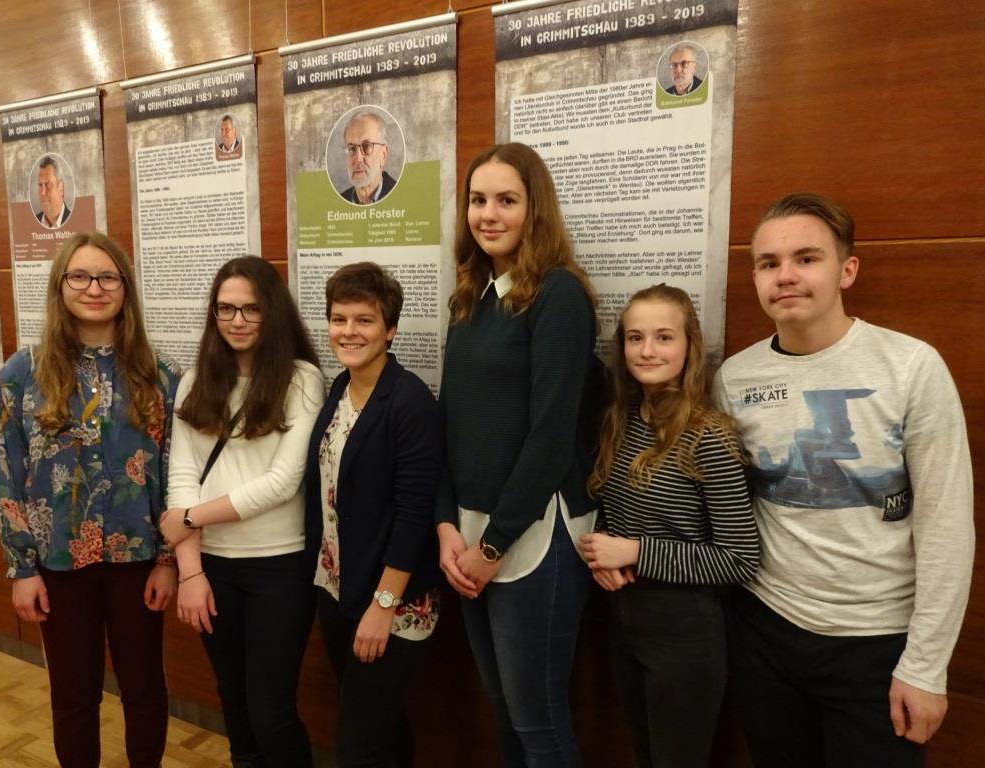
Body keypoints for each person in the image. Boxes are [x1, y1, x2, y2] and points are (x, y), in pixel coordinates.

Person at [712, 192, 974, 767]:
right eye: (768, 263)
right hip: (766, 633)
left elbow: (946, 527)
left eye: (807, 258)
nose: (786, 276)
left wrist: (926, 665)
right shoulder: (736, 377)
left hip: (876, 645)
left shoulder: (910, 367)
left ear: (846, 270)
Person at [436, 142, 598, 767]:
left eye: (507, 200)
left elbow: (551, 437)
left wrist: (493, 546)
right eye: (479, 200)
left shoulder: (558, 296)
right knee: (503, 710)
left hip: (532, 534)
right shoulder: (472, 296)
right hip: (470, 533)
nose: (489, 214)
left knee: (538, 722)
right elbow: (449, 421)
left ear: (537, 210)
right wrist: (448, 525)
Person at [0, 232, 180, 767]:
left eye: (107, 277)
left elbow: (174, 477)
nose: (94, 288)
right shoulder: (21, 374)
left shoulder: (160, 375)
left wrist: (169, 561)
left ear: (125, 288)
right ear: (60, 286)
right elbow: (9, 474)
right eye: (80, 276)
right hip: (57, 565)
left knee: (144, 689)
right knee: (73, 696)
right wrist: (20, 568)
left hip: (139, 561)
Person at [579, 285, 759, 767]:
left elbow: (741, 558)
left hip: (686, 633)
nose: (648, 351)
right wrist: (599, 555)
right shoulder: (621, 419)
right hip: (624, 619)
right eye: (635, 338)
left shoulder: (709, 436)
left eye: (663, 337)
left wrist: (634, 551)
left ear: (689, 346)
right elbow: (609, 511)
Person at [160, 256, 324, 768]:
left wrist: (190, 520)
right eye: (226, 309)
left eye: (251, 309)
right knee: (232, 697)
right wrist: (190, 572)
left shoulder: (302, 380)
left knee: (272, 709)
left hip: (281, 566)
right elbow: (182, 477)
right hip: (213, 569)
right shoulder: (193, 382)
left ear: (273, 312)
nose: (237, 320)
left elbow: (282, 483)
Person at [304, 262, 442, 768]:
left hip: (393, 602)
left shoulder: (409, 403)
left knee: (358, 744)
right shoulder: (339, 390)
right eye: (339, 319)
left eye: (364, 320)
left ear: (391, 329)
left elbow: (413, 515)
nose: (349, 331)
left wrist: (383, 605)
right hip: (340, 588)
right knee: (380, 728)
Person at [338, 112, 396, 205]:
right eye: (351, 148)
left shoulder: (402, 197)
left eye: (366, 146)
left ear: (383, 155)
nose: (358, 159)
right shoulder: (337, 204)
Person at [36, 155, 72, 228]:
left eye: (48, 184)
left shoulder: (75, 221)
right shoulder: (33, 222)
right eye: (40, 185)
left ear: (61, 188)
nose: (43, 192)